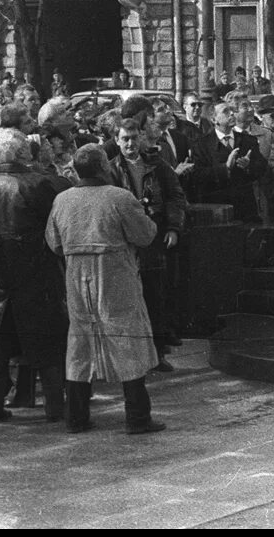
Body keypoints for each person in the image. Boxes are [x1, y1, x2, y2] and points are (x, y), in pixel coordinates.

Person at [48, 144, 167, 434]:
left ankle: (76, 417)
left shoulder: (62, 200)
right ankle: (137, 417)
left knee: (80, 342)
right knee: (127, 337)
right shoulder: (119, 198)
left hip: (77, 275)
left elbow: (53, 242)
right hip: (114, 273)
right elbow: (145, 234)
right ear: (104, 168)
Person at [0, 128, 69, 423]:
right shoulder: (44, 183)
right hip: (37, 270)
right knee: (47, 339)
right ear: (25, 154)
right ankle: (54, 405)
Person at [111, 118, 186, 371]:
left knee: (155, 295)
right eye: (125, 139)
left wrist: (174, 228)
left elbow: (176, 196)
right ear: (117, 141)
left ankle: (157, 353)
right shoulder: (111, 170)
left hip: (154, 236)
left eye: (134, 138)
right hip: (125, 241)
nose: (130, 144)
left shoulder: (157, 165)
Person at [185, 101, 269, 222]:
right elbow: (198, 175)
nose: (231, 114)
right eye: (225, 111)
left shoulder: (248, 140)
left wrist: (248, 166)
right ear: (214, 119)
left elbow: (263, 167)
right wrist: (225, 168)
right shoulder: (201, 144)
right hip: (218, 210)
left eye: (231, 110)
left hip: (246, 210)